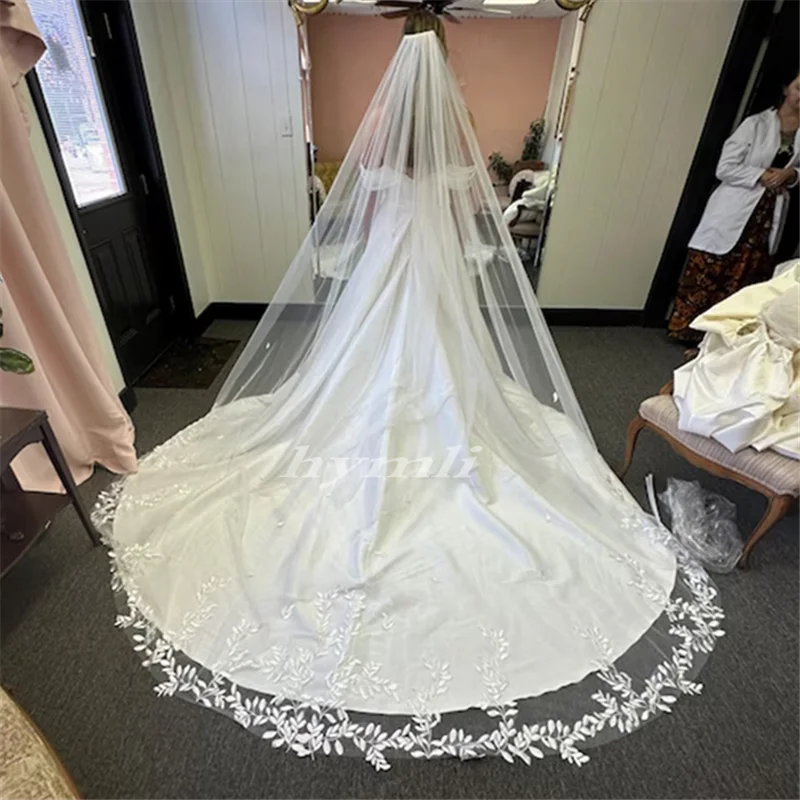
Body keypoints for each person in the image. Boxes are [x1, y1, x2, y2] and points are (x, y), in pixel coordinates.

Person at [94, 21, 722, 770]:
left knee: (363, 357)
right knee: (447, 361)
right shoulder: (456, 128)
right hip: (436, 271)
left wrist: (388, 224)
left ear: (400, 62)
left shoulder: (384, 129)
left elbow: (364, 210)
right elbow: (467, 213)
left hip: (387, 265)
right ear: (445, 64)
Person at [668, 67, 800, 344]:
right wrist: (761, 175)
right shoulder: (756, 124)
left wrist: (792, 174)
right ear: (786, 89)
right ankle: (688, 332)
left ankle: (721, 340)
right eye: (799, 88)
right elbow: (725, 167)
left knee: (747, 277)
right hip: (736, 206)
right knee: (711, 268)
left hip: (767, 216)